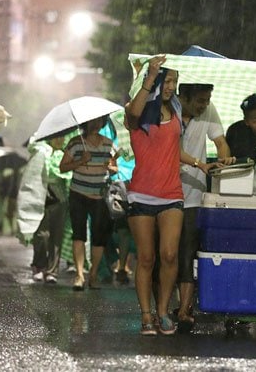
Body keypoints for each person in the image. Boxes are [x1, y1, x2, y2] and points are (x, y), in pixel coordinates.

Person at [125, 55, 212, 336]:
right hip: (141, 195)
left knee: (170, 254)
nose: (170, 86)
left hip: (171, 193)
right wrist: (149, 77)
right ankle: (146, 314)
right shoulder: (135, 112)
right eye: (166, 80)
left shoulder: (175, 112)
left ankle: (163, 310)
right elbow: (136, 110)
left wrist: (199, 163)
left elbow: (173, 150)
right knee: (147, 258)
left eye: (174, 80)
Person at [176, 82, 234, 332]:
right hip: (164, 191)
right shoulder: (168, 110)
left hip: (193, 195)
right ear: (183, 97)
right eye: (200, 100)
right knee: (166, 255)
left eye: (207, 99)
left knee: (188, 252)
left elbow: (220, 142)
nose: (204, 105)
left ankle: (184, 310)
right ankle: (161, 308)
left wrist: (225, 159)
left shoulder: (208, 111)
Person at [59, 117, 116, 290]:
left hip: (99, 196)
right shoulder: (76, 143)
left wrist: (110, 167)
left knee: (99, 237)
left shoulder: (108, 143)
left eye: (100, 121)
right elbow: (63, 167)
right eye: (93, 121)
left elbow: (115, 168)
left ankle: (93, 274)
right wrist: (80, 161)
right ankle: (79, 275)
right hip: (78, 194)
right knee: (79, 234)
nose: (96, 124)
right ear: (85, 124)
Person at [31, 136, 72, 283]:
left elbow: (68, 176)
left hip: (59, 198)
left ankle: (52, 270)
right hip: (41, 196)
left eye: (62, 137)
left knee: (56, 235)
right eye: (56, 137)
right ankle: (39, 266)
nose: (59, 140)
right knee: (41, 234)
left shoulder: (65, 155)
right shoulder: (41, 153)